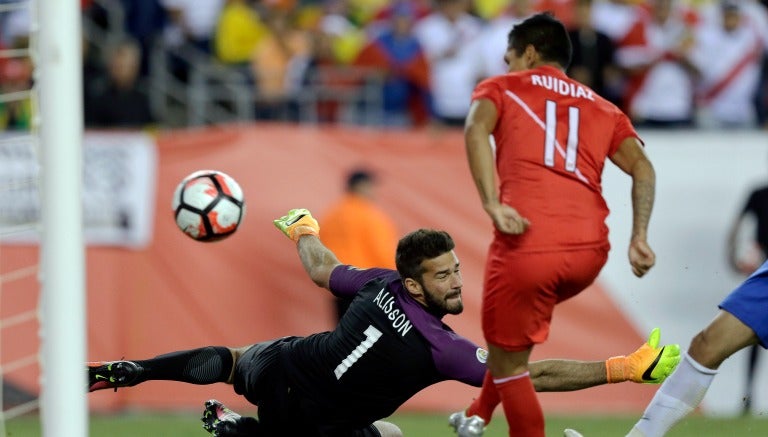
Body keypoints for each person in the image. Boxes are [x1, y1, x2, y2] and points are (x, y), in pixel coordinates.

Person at [87, 208, 679, 437]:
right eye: (444, 276)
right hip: (321, 425)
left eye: (455, 270)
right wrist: (619, 368)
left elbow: (322, 271)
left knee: (238, 359)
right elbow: (534, 375)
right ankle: (240, 433)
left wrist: (304, 231)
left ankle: (137, 372)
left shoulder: (380, 283)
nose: (456, 282)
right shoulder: (442, 348)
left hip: (287, 369)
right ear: (417, 285)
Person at [453, 12, 657, 437]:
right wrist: (639, 235)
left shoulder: (500, 88)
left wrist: (491, 203)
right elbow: (643, 168)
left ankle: (488, 420)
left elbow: (474, 130)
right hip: (590, 251)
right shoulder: (603, 106)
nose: (506, 67)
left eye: (509, 58)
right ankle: (477, 414)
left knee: (508, 364)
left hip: (529, 243)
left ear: (528, 53)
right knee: (512, 351)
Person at [321, 169, 399, 322]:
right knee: (369, 338)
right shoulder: (370, 215)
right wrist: (398, 281)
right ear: (361, 186)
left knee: (343, 338)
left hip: (336, 285)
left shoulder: (331, 215)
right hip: (367, 286)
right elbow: (383, 251)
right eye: (371, 186)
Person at [726, 181, 768, 415]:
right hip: (763, 272)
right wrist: (732, 256)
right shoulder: (758, 193)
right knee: (754, 335)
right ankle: (748, 394)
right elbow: (737, 226)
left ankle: (749, 395)